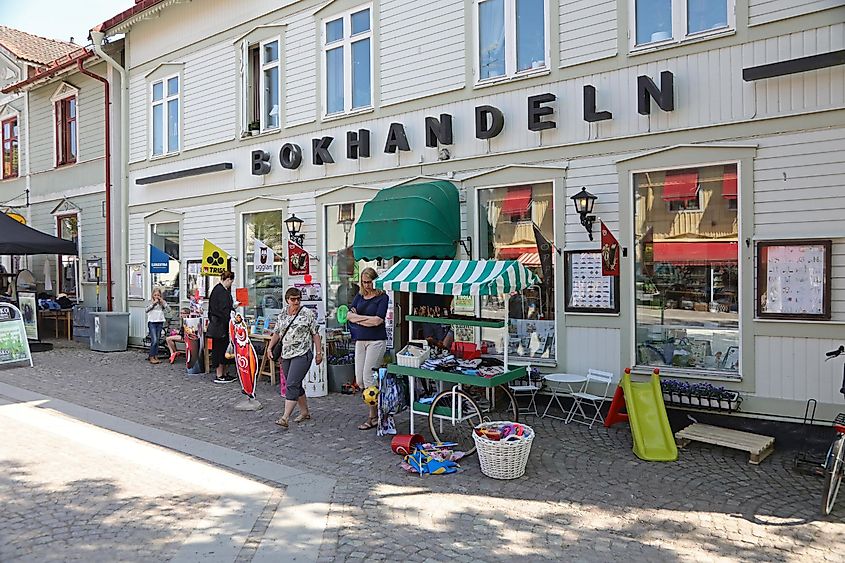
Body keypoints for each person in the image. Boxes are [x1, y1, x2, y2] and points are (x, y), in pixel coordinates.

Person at [266, 287, 322, 428]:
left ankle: (285, 417)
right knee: (296, 384)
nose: (296, 302)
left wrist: (319, 352)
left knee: (291, 384)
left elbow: (315, 333)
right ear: (287, 300)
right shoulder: (283, 314)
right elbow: (277, 332)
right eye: (293, 299)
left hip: (302, 353)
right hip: (286, 354)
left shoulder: (307, 314)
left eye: (298, 299)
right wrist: (270, 347)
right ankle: (304, 412)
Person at [347, 267, 389, 430]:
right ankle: (380, 407)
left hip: (376, 341)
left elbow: (378, 321)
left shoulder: (382, 298)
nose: (367, 285)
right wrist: (364, 319)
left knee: (369, 378)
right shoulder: (360, 296)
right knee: (359, 380)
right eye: (364, 282)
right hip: (361, 340)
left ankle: (374, 416)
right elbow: (349, 315)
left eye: (370, 282)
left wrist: (358, 319)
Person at [207, 270, 236, 384]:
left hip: (218, 325)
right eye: (231, 282)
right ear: (228, 280)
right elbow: (223, 310)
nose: (231, 284)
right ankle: (220, 374)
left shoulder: (217, 290)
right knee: (221, 350)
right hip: (221, 326)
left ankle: (223, 373)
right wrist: (231, 313)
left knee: (221, 349)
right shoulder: (222, 292)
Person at [146, 286, 170, 364]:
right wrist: (153, 304)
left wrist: (163, 302)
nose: (157, 297)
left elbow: (168, 310)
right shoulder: (150, 302)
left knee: (158, 339)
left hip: (160, 322)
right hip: (152, 322)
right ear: (153, 295)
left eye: (158, 295)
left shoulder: (162, 303)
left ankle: (154, 356)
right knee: (155, 340)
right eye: (155, 295)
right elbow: (146, 310)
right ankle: (152, 357)